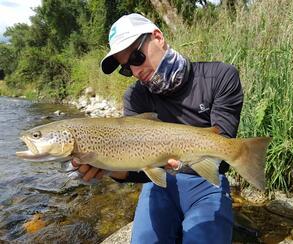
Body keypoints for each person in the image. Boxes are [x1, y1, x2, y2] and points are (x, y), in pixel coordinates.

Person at [72, 13, 243, 244]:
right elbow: (138, 170)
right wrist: (108, 168)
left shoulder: (220, 77)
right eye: (125, 68)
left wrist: (187, 159)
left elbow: (223, 154)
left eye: (136, 56)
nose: (134, 71)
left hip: (205, 185)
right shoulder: (135, 97)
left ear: (158, 37)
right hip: (159, 186)